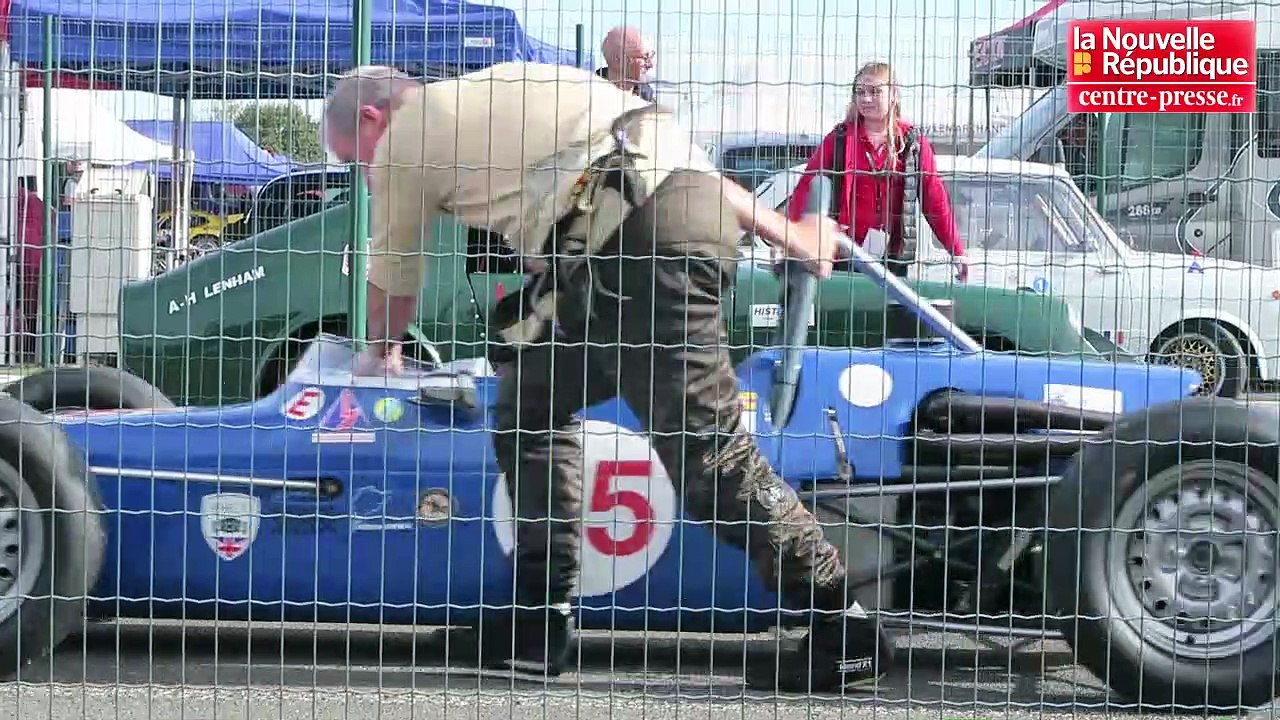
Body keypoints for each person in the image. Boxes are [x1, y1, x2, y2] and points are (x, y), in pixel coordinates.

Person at [321, 63, 896, 691]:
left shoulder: (405, 136)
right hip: (641, 238)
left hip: (635, 251)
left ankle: (844, 622)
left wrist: (379, 353)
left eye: (358, 160)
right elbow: (679, 166)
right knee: (532, 397)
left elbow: (395, 270)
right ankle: (539, 620)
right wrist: (788, 230)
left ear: (373, 118)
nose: (368, 175)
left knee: (707, 453)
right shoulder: (514, 82)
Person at [788, 61, 969, 281]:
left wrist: (956, 251)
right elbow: (805, 190)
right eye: (860, 92)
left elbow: (935, 202)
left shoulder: (913, 144)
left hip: (892, 259)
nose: (865, 99)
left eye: (875, 92)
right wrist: (791, 240)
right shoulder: (838, 140)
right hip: (842, 255)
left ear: (893, 95)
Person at [596, 26, 656, 102]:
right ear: (618, 59)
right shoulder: (589, 95)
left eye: (651, 57)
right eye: (645, 58)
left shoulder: (647, 98)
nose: (651, 65)